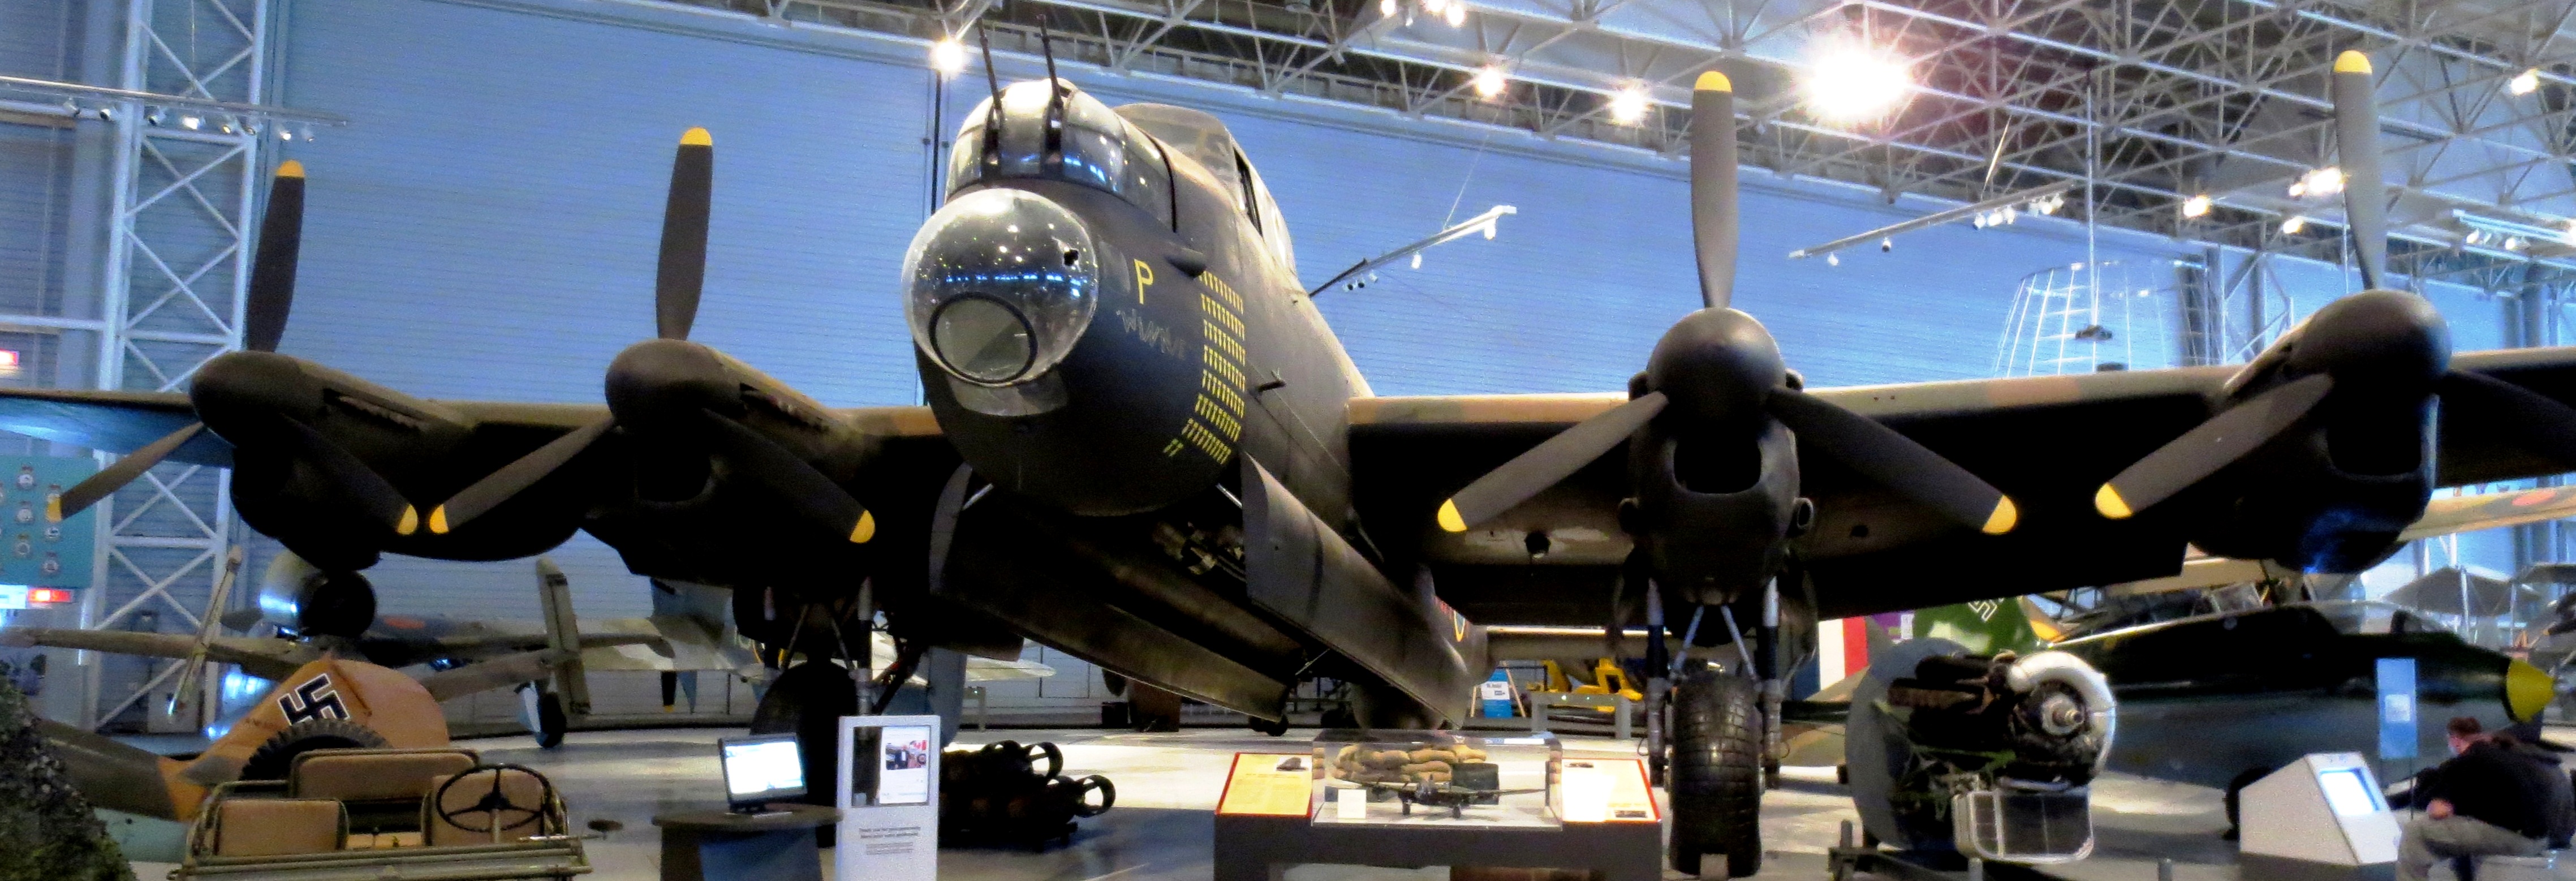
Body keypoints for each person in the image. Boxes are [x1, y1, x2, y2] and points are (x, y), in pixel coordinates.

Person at [2398, 717, 2555, 881]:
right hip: (2539, 839)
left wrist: (2431, 804)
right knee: (2459, 832)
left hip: (2517, 839)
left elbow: (2439, 811)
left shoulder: (2467, 761)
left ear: (2455, 740)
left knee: (2415, 830)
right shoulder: (2503, 755)